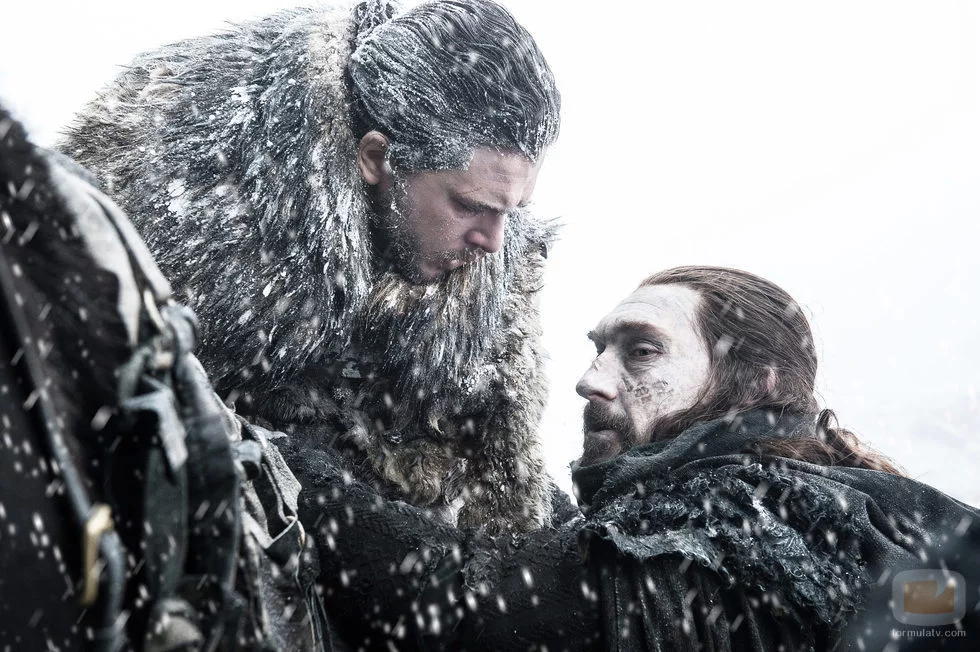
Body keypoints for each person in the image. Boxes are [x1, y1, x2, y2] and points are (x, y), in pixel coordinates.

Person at [58, 0, 568, 536]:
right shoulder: (187, 223)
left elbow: (503, 491)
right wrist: (328, 504)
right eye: (468, 206)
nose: (493, 242)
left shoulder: (492, 307)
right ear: (377, 158)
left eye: (514, 211)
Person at [284, 266, 980, 650]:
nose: (590, 379)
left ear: (756, 386)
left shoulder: (743, 514)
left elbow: (462, 610)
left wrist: (285, 462)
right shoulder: (840, 507)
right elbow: (584, 578)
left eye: (642, 351)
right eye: (598, 348)